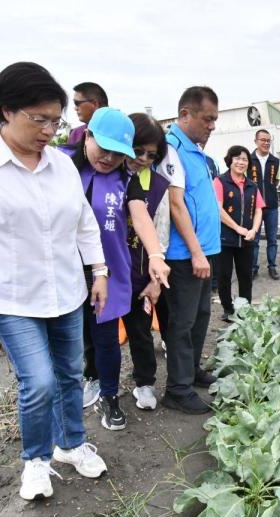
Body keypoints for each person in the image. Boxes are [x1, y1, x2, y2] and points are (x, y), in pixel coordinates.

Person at [0, 61, 108, 501]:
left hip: (66, 290)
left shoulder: (61, 165)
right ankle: (35, 460)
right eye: (40, 119)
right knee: (39, 380)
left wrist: (99, 272)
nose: (50, 129)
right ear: (7, 111)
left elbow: (84, 223)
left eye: (56, 120)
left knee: (70, 373)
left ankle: (70, 444)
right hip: (9, 296)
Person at [71, 108, 170, 431]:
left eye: (118, 153)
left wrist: (155, 254)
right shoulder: (61, 166)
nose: (109, 158)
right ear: (87, 137)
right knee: (72, 337)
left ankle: (110, 397)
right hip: (65, 271)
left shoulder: (125, 179)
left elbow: (140, 215)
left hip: (107, 272)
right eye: (104, 148)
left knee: (107, 339)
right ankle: (82, 386)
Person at [160, 86, 221, 414]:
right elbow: (175, 204)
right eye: (206, 119)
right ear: (185, 114)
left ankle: (191, 370)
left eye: (214, 120)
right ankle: (177, 390)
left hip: (203, 250)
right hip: (185, 255)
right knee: (182, 323)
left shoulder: (195, 150)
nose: (211, 126)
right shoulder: (172, 150)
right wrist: (196, 252)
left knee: (200, 317)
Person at [121, 113, 172, 411]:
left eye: (151, 155)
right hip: (105, 273)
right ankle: (94, 379)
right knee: (94, 334)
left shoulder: (159, 186)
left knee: (140, 332)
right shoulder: (107, 176)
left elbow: (161, 234)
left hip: (140, 274)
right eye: (137, 150)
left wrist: (155, 282)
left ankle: (144, 383)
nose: (142, 158)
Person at [214, 146, 263, 320]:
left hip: (247, 239)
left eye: (244, 159)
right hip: (224, 239)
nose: (241, 162)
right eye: (237, 158)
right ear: (230, 160)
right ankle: (228, 309)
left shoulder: (252, 185)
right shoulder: (220, 181)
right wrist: (237, 228)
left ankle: (245, 310)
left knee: (245, 276)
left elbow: (258, 210)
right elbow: (218, 209)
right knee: (224, 276)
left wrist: (254, 230)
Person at [248, 129, 280, 280]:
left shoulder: (275, 161)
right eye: (263, 140)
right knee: (254, 239)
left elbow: (277, 181)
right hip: (254, 207)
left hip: (272, 206)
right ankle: (253, 268)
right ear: (256, 141)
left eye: (268, 140)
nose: (266, 143)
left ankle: (272, 267)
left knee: (272, 239)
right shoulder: (248, 159)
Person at [67, 82, 108, 147]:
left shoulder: (120, 130)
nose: (75, 108)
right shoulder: (76, 134)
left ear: (95, 104)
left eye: (77, 103)